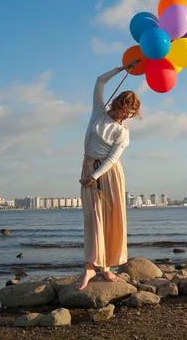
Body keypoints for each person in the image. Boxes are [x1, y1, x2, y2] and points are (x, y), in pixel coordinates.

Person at [78, 60, 141, 291]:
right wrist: (122, 69)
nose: (126, 116)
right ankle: (90, 267)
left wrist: (94, 176)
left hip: (108, 174)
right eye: (125, 111)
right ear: (117, 105)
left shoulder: (123, 132)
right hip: (88, 168)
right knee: (92, 219)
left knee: (110, 221)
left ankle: (104, 267)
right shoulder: (99, 112)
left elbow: (113, 159)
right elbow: (99, 81)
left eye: (131, 113)